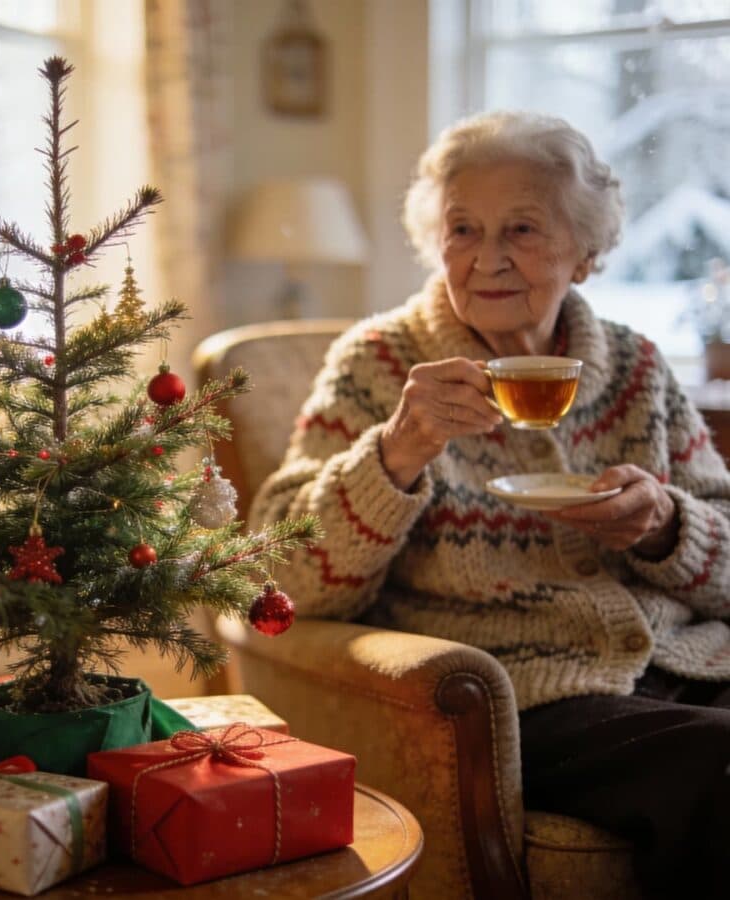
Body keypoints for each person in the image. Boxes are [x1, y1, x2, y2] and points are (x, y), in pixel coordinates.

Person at [249, 110, 730, 899]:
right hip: (527, 699)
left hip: (685, 665)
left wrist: (667, 526)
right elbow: (281, 579)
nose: (488, 259)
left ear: (587, 251)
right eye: (463, 228)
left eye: (523, 229)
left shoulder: (639, 370)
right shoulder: (378, 366)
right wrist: (396, 452)